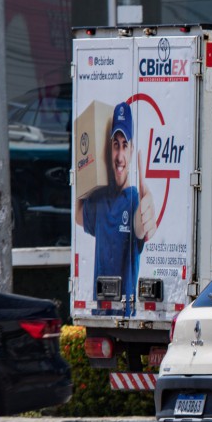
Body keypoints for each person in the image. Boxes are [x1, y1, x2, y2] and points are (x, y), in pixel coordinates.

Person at [74, 101, 156, 316]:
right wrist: (83, 174)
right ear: (109, 148)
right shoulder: (99, 200)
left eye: (125, 145)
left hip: (125, 314)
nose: (120, 156)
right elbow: (79, 216)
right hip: (100, 314)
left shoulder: (135, 201)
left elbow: (139, 228)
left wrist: (145, 213)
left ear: (130, 151)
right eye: (115, 145)